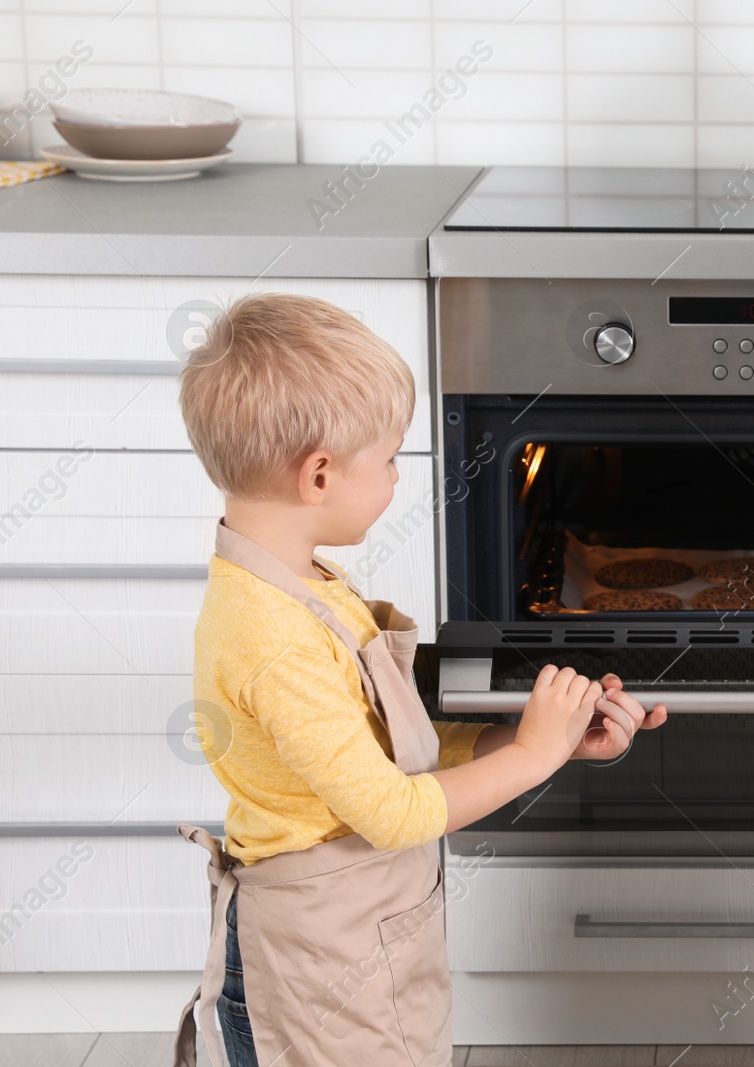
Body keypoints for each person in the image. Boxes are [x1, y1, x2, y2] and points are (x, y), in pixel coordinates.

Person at [169, 293, 668, 1067]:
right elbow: (392, 811)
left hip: (362, 942)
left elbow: (383, 752)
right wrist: (529, 757)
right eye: (392, 456)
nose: (402, 476)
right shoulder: (270, 637)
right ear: (320, 475)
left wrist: (549, 737)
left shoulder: (302, 584)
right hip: (313, 967)